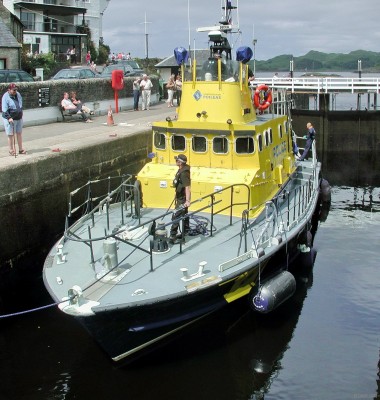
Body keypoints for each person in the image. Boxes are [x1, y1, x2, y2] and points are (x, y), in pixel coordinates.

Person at [169, 154, 191, 244]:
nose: (176, 162)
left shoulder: (184, 173)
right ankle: (186, 230)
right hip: (180, 197)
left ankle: (172, 236)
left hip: (182, 198)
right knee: (184, 213)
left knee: (176, 215)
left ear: (180, 162)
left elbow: (187, 187)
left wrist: (187, 201)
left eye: (177, 160)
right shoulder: (182, 170)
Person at [1, 83, 26, 155]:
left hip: (18, 117)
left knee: (19, 133)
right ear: (9, 90)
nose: (15, 91)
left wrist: (21, 113)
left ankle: (20, 149)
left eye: (16, 89)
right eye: (14, 90)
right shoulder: (5, 97)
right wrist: (9, 118)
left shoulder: (18, 94)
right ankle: (11, 150)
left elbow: (20, 105)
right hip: (10, 118)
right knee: (11, 135)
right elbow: (4, 109)